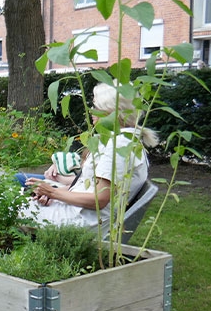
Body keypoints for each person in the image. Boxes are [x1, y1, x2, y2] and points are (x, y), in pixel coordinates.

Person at [23, 82, 158, 227]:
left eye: (96, 107)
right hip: (78, 214)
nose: (91, 111)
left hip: (78, 222)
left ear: (112, 111)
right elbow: (88, 188)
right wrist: (52, 194)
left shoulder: (119, 146)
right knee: (11, 196)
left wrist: (52, 193)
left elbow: (99, 200)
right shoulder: (124, 141)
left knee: (6, 202)